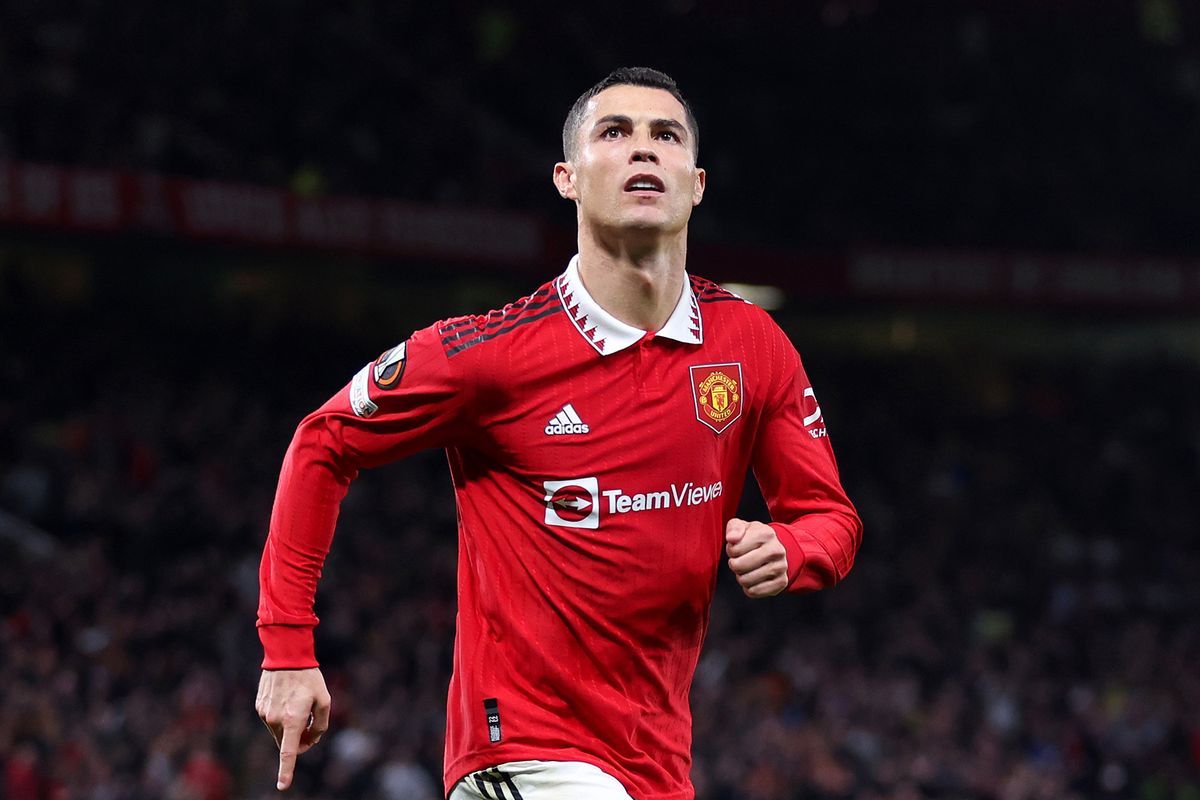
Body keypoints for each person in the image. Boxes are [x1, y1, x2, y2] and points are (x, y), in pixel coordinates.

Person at [255, 66, 862, 800]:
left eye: (666, 136)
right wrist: (287, 650)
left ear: (697, 184)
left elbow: (831, 518)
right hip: (521, 753)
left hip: (657, 765)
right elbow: (323, 442)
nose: (644, 149)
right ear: (566, 178)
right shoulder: (490, 354)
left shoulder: (751, 344)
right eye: (616, 132)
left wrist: (793, 548)